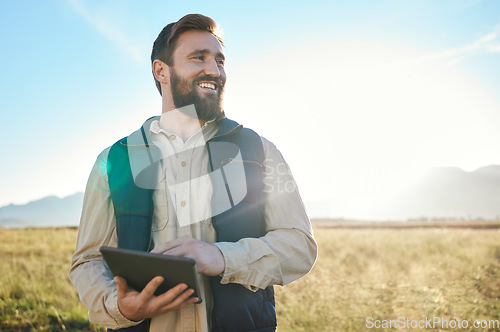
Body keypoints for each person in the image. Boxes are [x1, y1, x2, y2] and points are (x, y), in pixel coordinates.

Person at [69, 13, 317, 332]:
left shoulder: (261, 150)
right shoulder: (114, 161)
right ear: (161, 70)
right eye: (198, 57)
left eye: (219, 60)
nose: (213, 70)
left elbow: (300, 247)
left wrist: (223, 257)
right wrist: (119, 307)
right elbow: (87, 262)